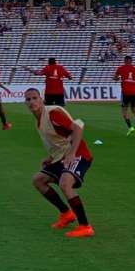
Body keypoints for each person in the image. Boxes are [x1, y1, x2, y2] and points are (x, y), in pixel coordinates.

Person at [24, 88, 94, 238]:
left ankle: (85, 226)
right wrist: (50, 157)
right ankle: (66, 214)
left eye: (34, 98)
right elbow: (59, 140)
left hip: (79, 154)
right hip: (61, 156)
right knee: (38, 180)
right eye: (28, 99)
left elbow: (78, 127)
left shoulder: (52, 114)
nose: (31, 102)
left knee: (65, 183)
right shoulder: (39, 120)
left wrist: (72, 153)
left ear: (41, 99)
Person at [113, 55, 135, 135]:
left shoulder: (120, 68)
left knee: (124, 111)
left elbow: (115, 78)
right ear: (131, 61)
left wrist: (120, 78)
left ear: (124, 61)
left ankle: (130, 127)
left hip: (126, 92)